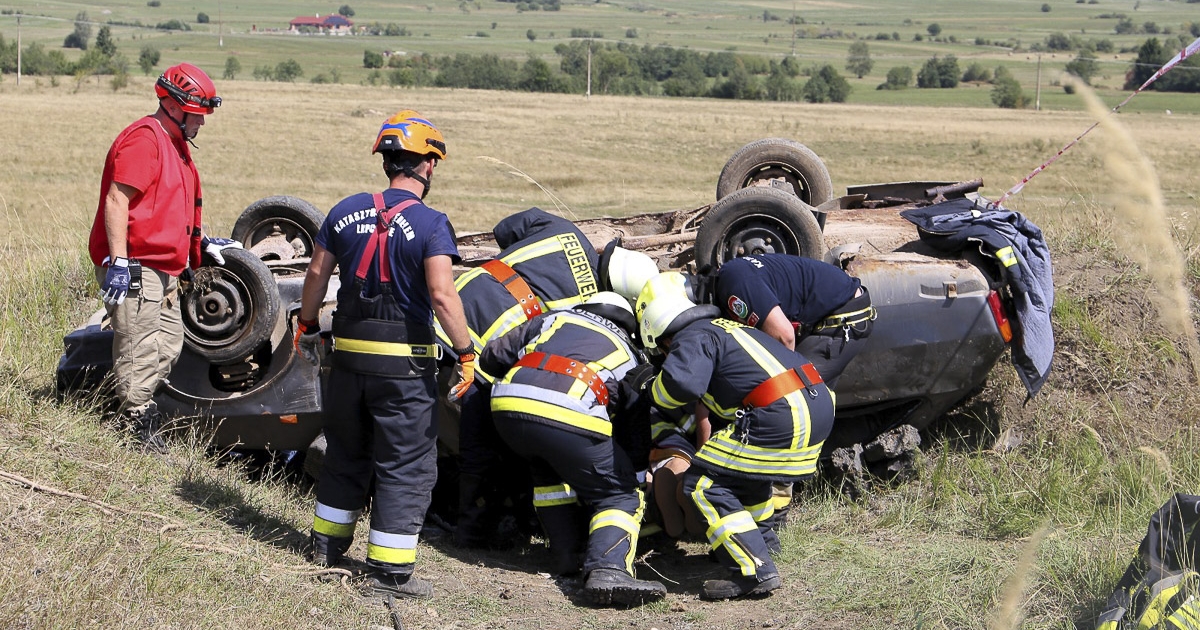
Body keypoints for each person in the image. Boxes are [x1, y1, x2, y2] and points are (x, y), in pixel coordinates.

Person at [296, 110, 474, 600]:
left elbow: (315, 274)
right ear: (429, 165)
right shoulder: (432, 223)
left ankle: (325, 548)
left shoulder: (344, 210)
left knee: (346, 454)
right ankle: (391, 574)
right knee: (407, 464)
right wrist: (466, 353)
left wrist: (307, 325)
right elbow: (442, 295)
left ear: (387, 161)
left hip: (347, 363)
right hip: (403, 370)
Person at [638, 281, 836, 600]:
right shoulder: (726, 328)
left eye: (663, 352)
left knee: (701, 484)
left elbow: (681, 385)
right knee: (743, 476)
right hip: (816, 405)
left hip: (781, 411)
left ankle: (753, 571)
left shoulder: (692, 335)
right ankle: (764, 543)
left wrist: (649, 389)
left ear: (664, 339)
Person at [479, 292, 667, 606]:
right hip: (569, 410)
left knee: (548, 473)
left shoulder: (553, 318)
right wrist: (633, 476)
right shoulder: (631, 355)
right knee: (618, 493)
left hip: (506, 407)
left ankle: (564, 555)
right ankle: (608, 568)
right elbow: (634, 426)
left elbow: (491, 357)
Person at [87, 62, 234, 452]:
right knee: (138, 345)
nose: (201, 124)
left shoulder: (176, 146)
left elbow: (169, 209)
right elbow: (117, 200)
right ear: (174, 105)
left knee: (167, 345)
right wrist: (119, 263)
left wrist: (200, 248)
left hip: (168, 269)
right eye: (197, 116)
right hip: (137, 264)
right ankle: (134, 426)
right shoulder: (146, 139)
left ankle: (133, 407)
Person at [437, 207, 601, 548]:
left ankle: (469, 522)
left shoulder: (564, 230)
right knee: (479, 448)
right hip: (476, 359)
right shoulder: (590, 314)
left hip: (450, 306)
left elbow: (505, 227)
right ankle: (474, 531)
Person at [711, 253, 875, 389]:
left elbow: (785, 336)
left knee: (792, 391)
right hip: (832, 304)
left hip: (844, 318)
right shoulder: (732, 270)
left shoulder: (736, 286)